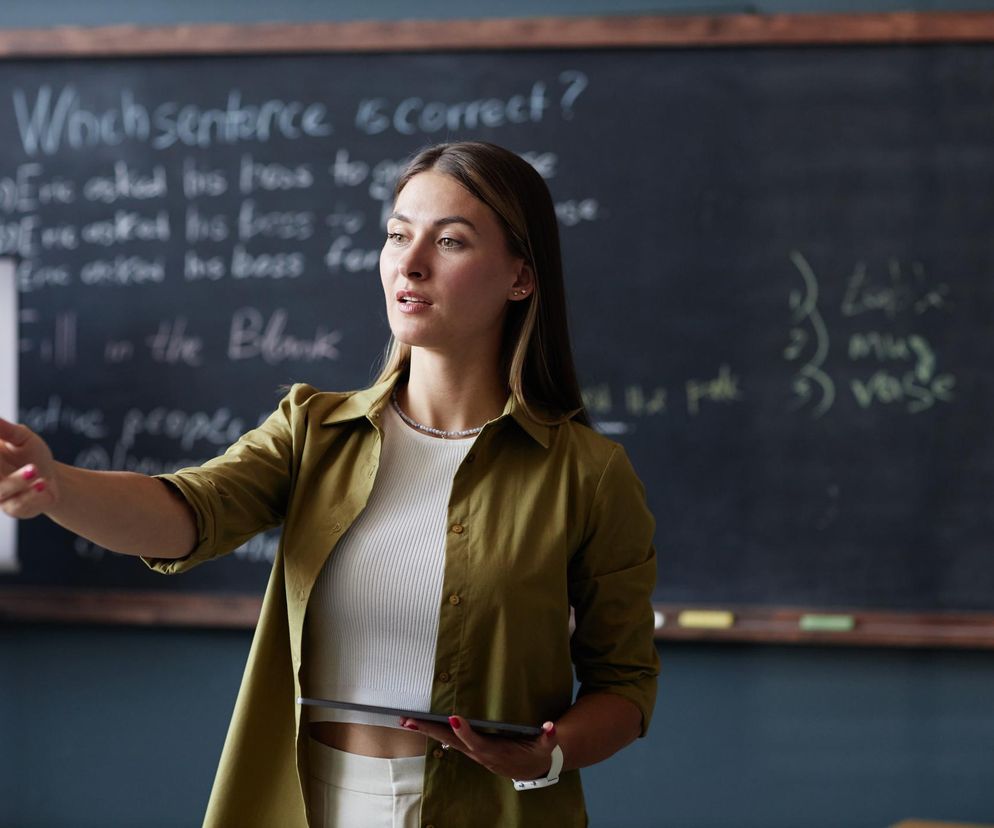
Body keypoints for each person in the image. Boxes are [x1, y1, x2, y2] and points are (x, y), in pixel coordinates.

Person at [0, 141, 659, 827]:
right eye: (398, 235)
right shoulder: (313, 430)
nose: (410, 263)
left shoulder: (586, 473)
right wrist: (56, 485)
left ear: (521, 278)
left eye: (451, 241)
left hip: (484, 810)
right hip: (311, 801)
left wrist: (547, 758)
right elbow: (185, 513)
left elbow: (625, 686)